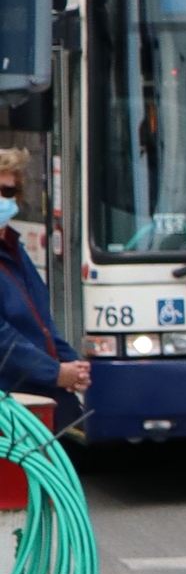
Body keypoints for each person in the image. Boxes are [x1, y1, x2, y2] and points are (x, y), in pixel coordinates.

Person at [0, 149, 88, 423]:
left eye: (8, 191)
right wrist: (56, 373)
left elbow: (42, 323)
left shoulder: (15, 250)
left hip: (38, 395)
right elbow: (4, 338)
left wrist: (74, 365)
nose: (2, 200)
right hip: (12, 400)